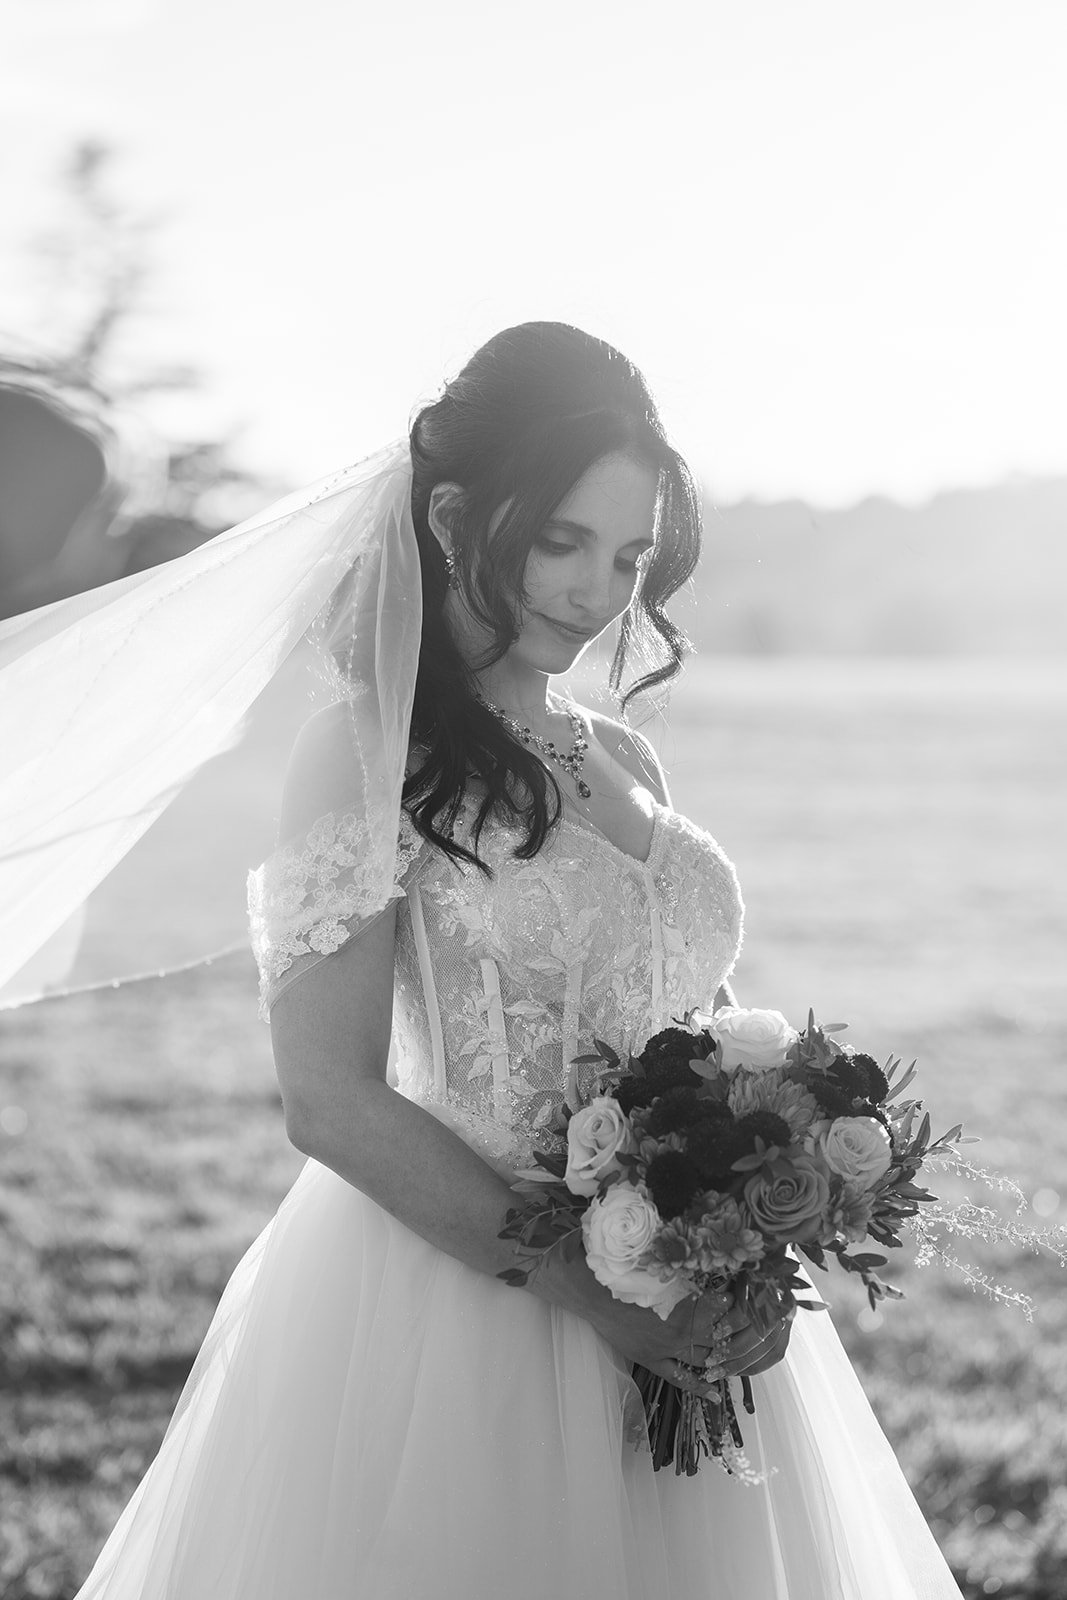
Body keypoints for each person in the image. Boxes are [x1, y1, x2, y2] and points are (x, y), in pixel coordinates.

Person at [21, 322, 963, 1597]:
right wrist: (597, 1293)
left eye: (628, 553)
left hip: (688, 1293)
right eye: (561, 540)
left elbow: (686, 1021)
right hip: (462, 1310)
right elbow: (328, 1097)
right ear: (458, 513)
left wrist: (762, 1182)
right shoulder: (365, 755)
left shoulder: (622, 757)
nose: (596, 589)